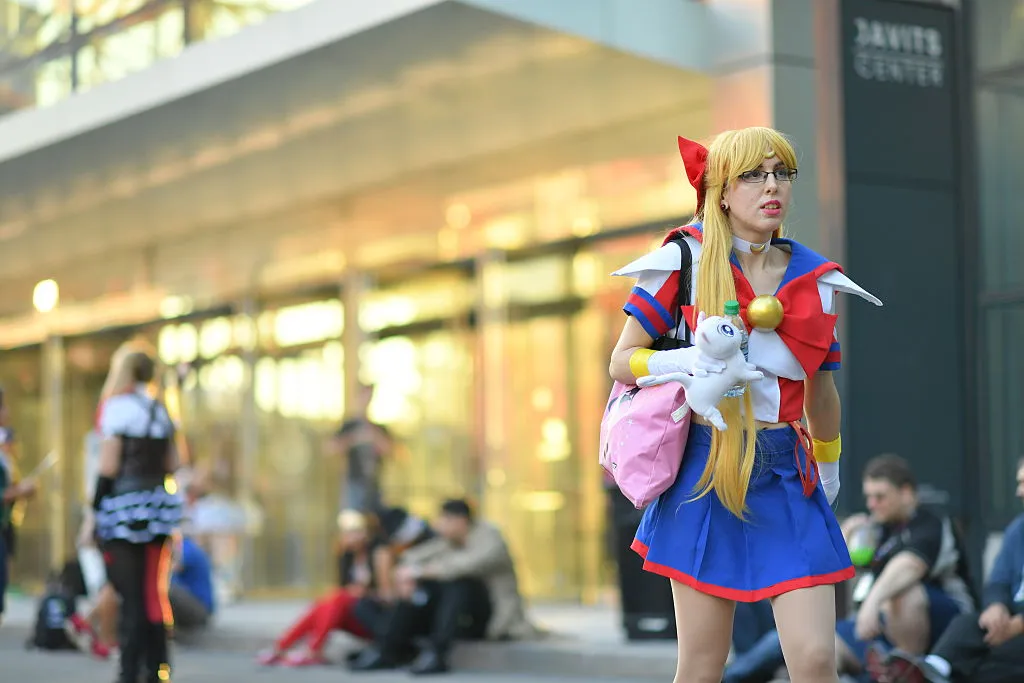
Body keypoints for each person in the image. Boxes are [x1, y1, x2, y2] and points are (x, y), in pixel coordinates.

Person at [608, 128, 881, 683]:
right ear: (722, 191)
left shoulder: (817, 278)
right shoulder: (681, 260)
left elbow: (822, 391)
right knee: (704, 665)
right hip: (704, 471)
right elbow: (622, 361)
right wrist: (683, 363)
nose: (772, 186)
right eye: (754, 176)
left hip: (787, 470)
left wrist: (828, 467)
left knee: (814, 660)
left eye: (781, 173)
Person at [82, 349, 183, 683]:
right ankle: (158, 669)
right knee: (155, 591)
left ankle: (129, 670)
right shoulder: (161, 408)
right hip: (159, 509)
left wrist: (94, 513)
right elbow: (173, 464)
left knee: (131, 593)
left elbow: (108, 466)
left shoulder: (117, 408)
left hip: (124, 508)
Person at [875, 457, 1024, 683]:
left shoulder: (930, 522)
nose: (1019, 491)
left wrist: (1018, 624)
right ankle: (931, 669)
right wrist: (996, 607)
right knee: (967, 625)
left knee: (985, 664)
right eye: (1018, 482)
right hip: (1006, 623)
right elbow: (998, 581)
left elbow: (912, 563)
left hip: (1016, 626)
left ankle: (920, 675)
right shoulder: (1017, 530)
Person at [350, 499, 536, 675]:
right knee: (409, 592)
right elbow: (413, 557)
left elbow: (463, 566)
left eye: (445, 519)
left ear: (461, 520)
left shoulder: (490, 538)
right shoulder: (449, 541)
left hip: (492, 617)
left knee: (459, 585)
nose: (439, 525)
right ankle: (389, 649)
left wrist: (417, 572)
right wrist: (407, 575)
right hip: (458, 616)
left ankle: (438, 654)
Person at [835, 455, 974, 679]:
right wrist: (845, 537)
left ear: (906, 493)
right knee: (821, 643)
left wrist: (872, 602)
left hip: (947, 622)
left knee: (901, 593)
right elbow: (844, 569)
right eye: (868, 497)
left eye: (880, 497)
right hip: (883, 625)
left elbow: (909, 565)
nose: (871, 504)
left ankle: (908, 673)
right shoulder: (880, 528)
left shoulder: (930, 521)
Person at [256, 509, 381, 667]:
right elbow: (344, 586)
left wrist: (363, 592)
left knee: (337, 598)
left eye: (355, 532)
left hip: (374, 614)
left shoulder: (379, 554)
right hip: (353, 610)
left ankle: (310, 649)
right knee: (325, 603)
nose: (350, 536)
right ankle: (282, 647)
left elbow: (386, 594)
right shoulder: (347, 556)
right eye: (347, 532)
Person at [330, 382, 392, 514]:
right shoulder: (350, 425)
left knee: (375, 520)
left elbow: (390, 450)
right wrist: (355, 438)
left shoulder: (378, 428)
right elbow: (330, 448)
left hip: (374, 483)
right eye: (364, 396)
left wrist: (373, 435)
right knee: (353, 519)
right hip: (354, 482)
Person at [169, 531, 215, 637]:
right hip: (198, 607)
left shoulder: (186, 547)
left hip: (201, 610)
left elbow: (176, 565)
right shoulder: (189, 546)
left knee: (168, 590)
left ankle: (171, 631)